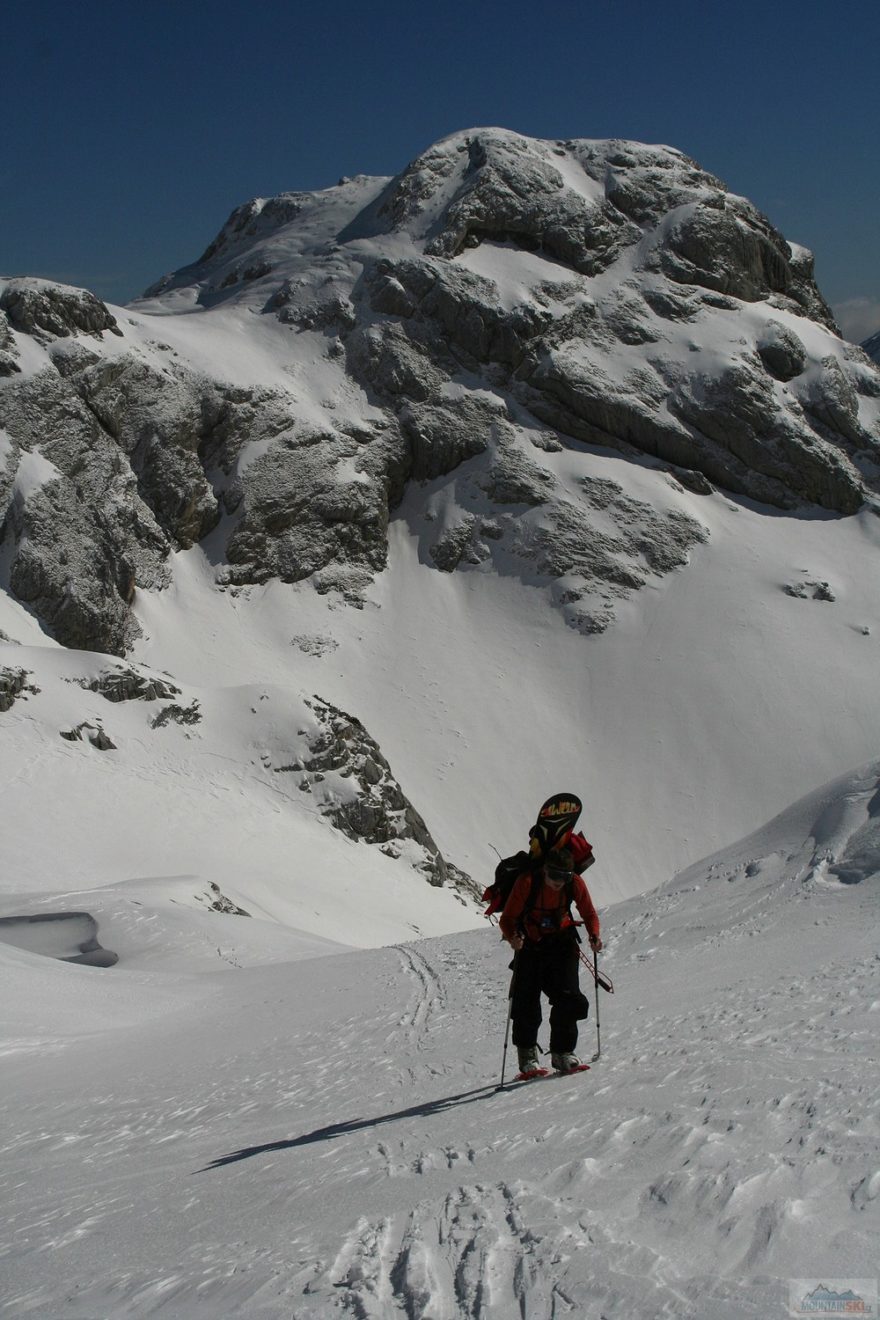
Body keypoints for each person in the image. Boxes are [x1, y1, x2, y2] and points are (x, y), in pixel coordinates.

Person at [499, 844, 602, 1075]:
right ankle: (527, 1056)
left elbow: (589, 913)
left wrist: (594, 934)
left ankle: (562, 1052)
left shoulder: (574, 883)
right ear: (545, 870)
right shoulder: (526, 882)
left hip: (562, 942)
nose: (559, 882)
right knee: (526, 1000)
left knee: (569, 997)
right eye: (554, 876)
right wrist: (513, 938)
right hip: (530, 944)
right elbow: (507, 919)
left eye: (564, 877)